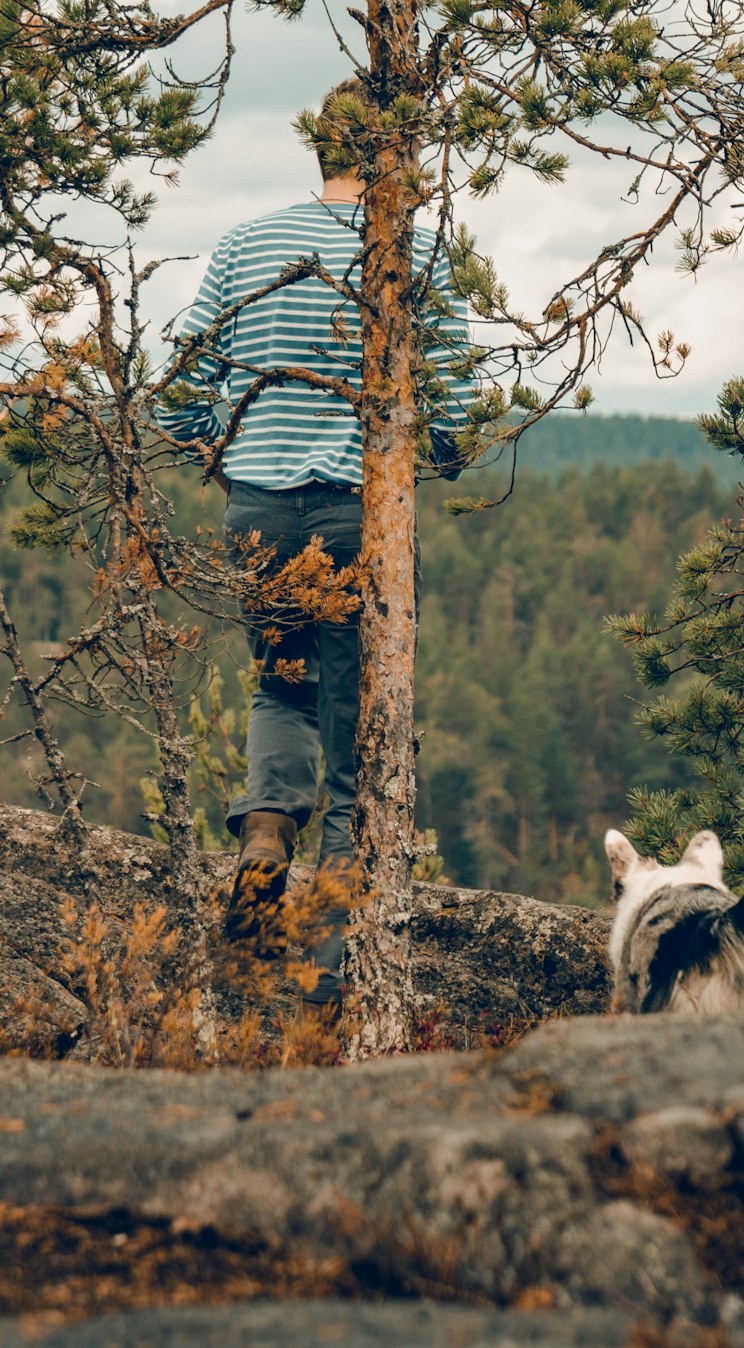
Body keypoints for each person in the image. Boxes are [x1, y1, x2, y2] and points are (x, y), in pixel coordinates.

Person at [157, 79, 473, 1003]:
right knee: (358, 742)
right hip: (356, 517)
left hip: (256, 509)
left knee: (279, 683)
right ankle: (326, 975)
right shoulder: (410, 251)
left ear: (318, 145)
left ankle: (262, 831)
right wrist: (436, 457)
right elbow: (449, 388)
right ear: (394, 154)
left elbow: (183, 386)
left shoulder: (246, 243)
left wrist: (225, 447)